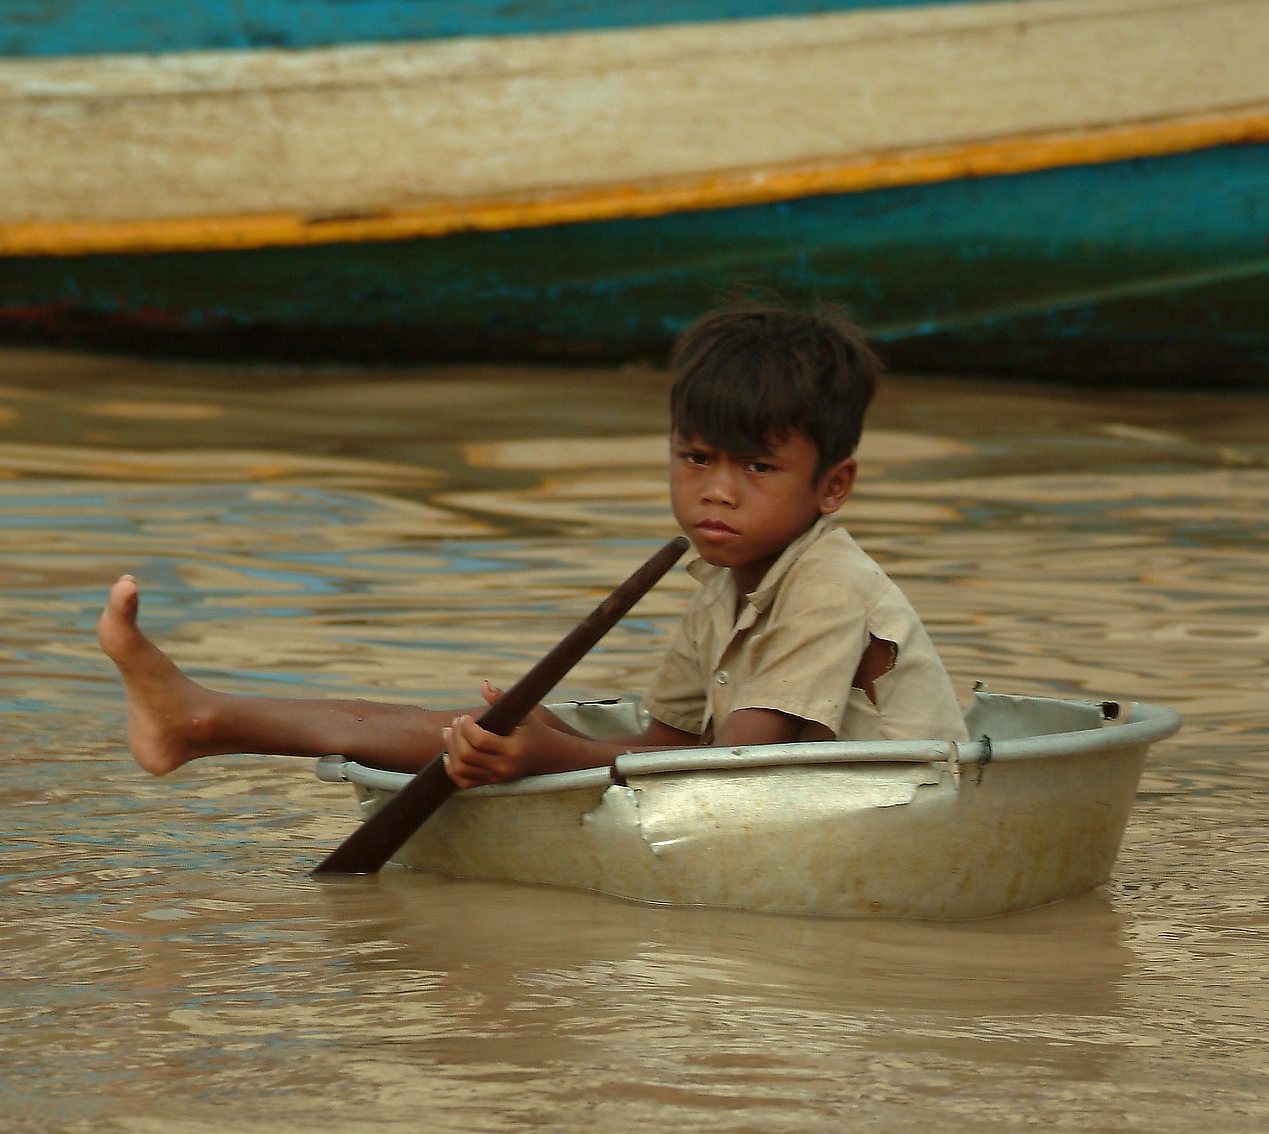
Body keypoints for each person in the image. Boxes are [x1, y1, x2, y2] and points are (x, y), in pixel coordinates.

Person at [96, 303, 968, 787]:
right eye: (696, 457)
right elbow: (667, 748)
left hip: (900, 805)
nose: (717, 490)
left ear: (832, 486)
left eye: (758, 468)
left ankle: (207, 720)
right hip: (765, 792)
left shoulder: (826, 586)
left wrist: (557, 759)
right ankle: (206, 719)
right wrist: (539, 742)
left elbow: (729, 770)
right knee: (498, 725)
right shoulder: (723, 582)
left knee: (532, 740)